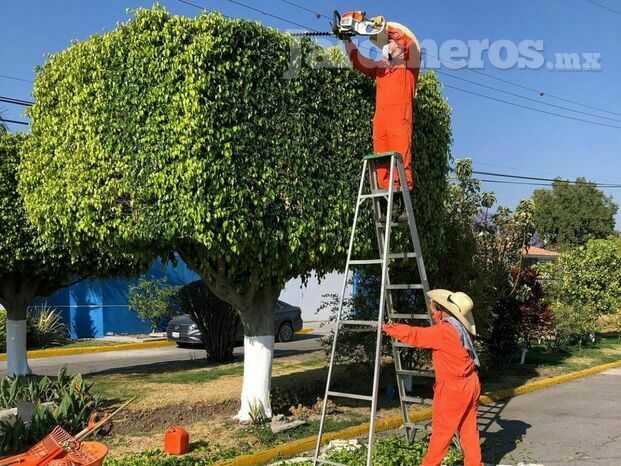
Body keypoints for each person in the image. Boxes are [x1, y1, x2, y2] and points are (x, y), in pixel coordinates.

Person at [382, 289, 483, 466]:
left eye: (435, 305)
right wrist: (436, 313)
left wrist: (389, 327)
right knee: (469, 431)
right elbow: (441, 323)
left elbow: (415, 335)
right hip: (471, 383)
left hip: (453, 388)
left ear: (442, 309)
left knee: (441, 434)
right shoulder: (459, 327)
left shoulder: (444, 332)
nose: (431, 306)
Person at [343, 22, 421, 219]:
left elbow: (410, 44)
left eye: (389, 42)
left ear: (398, 44)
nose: (386, 45)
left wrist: (383, 29)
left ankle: (402, 205)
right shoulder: (380, 69)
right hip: (382, 121)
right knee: (382, 161)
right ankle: (390, 205)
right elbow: (358, 61)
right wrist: (347, 40)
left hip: (400, 120)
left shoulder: (409, 66)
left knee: (401, 159)